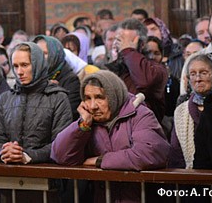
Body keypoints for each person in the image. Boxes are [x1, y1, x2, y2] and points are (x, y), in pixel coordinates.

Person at [51, 71, 169, 202]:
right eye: (88, 98)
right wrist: (82, 126)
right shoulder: (89, 122)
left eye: (99, 97)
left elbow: (149, 153)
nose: (93, 106)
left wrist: (100, 161)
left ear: (114, 95)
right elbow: (60, 155)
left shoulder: (140, 115)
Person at [0, 42, 72, 164]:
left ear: (37, 64)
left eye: (24, 65)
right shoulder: (5, 98)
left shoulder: (58, 98)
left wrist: (27, 156)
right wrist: (4, 152)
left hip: (45, 170)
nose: (19, 72)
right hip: (8, 169)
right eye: (15, 66)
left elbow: (60, 143)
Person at [106, 19, 168, 121]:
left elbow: (145, 82)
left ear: (142, 44)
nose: (120, 46)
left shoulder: (155, 69)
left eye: (127, 42)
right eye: (119, 40)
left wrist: (128, 51)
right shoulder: (110, 71)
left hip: (143, 127)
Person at [168, 53, 212, 168]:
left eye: (204, 73)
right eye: (193, 74)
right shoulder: (181, 111)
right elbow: (176, 153)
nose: (198, 79)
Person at [34, 34, 81, 116]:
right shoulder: (32, 77)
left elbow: (68, 113)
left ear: (55, 55)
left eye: (45, 53)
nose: (40, 57)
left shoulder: (70, 80)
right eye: (37, 53)